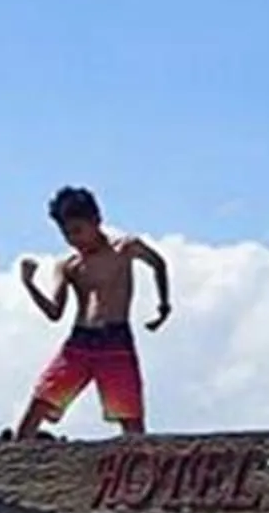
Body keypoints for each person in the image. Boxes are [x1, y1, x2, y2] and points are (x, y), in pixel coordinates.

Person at [13, 185, 170, 437]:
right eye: (66, 234)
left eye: (78, 231)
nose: (74, 239)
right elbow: (55, 312)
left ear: (96, 221)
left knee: (130, 418)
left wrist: (163, 306)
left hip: (115, 340)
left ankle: (139, 470)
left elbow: (158, 263)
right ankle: (15, 460)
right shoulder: (69, 265)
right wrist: (29, 284)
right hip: (80, 342)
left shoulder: (124, 248)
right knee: (39, 403)